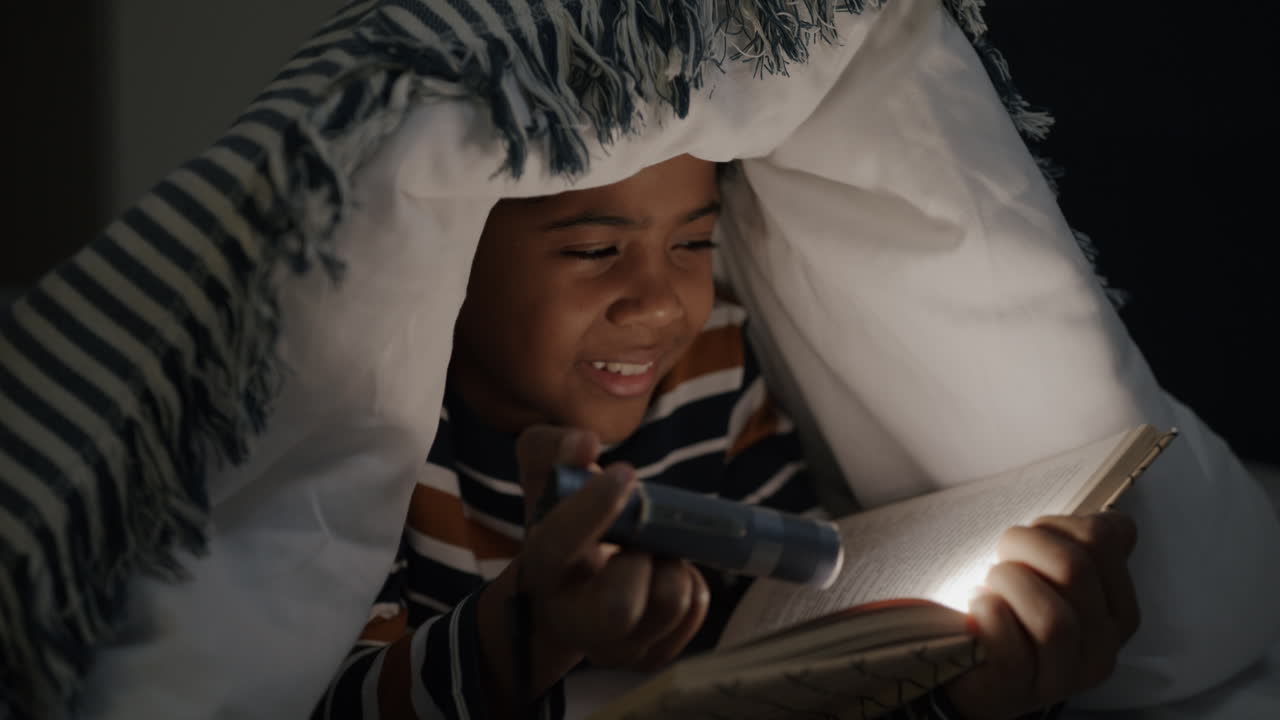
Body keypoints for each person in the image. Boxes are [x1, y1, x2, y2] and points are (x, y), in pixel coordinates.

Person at [310, 154, 1141, 720]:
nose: (662, 304)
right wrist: (534, 629)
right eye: (596, 249)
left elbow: (799, 649)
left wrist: (975, 691)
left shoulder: (709, 368)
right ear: (444, 257)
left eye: (694, 244)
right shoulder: (365, 442)